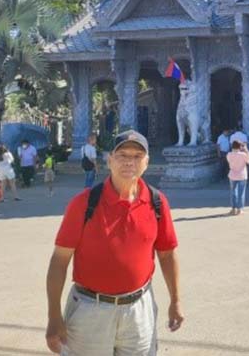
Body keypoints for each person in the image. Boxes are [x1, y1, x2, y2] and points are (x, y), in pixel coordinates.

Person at [45, 130, 183, 355]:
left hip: (139, 309)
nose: (129, 161)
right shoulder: (84, 203)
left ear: (147, 163)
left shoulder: (157, 203)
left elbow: (167, 254)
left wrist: (176, 300)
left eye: (137, 156)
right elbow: (59, 261)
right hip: (90, 310)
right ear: (109, 161)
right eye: (122, 155)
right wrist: (53, 316)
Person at [226, 140, 249, 215]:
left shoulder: (229, 154)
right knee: (241, 193)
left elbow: (229, 161)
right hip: (242, 175)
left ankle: (233, 208)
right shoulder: (243, 155)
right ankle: (240, 209)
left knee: (233, 192)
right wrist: (246, 150)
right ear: (240, 146)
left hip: (232, 174)